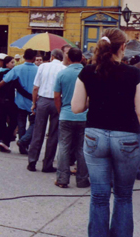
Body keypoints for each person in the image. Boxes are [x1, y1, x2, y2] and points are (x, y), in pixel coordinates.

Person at [72, 28, 140, 237]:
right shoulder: (134, 73)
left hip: (95, 136)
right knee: (123, 195)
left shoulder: (87, 72)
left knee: (99, 196)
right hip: (126, 137)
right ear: (122, 47)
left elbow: (76, 108)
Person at [53, 47, 89, 189]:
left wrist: (60, 110)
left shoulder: (62, 74)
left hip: (66, 114)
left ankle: (62, 178)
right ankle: (82, 179)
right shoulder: (88, 73)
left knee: (64, 147)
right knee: (82, 148)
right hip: (83, 116)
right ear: (81, 58)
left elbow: (56, 96)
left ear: (68, 58)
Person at [27, 49, 65, 172]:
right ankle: (47, 164)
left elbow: (35, 88)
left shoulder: (43, 66)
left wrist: (34, 103)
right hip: (57, 101)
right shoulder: (63, 68)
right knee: (53, 134)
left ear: (52, 57)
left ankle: (32, 161)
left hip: (43, 100)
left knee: (38, 131)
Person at [0, 48, 38, 154]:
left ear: (23, 57)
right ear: (34, 58)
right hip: (33, 101)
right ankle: (24, 142)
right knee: (34, 123)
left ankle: (22, 145)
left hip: (20, 102)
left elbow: (5, 80)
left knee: (21, 123)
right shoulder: (38, 69)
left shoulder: (17, 68)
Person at [0, 55, 17, 152]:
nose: (13, 65)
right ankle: (6, 140)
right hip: (9, 100)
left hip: (0, 99)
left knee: (2, 121)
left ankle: (0, 141)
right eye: (12, 62)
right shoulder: (12, 74)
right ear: (7, 63)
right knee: (13, 121)